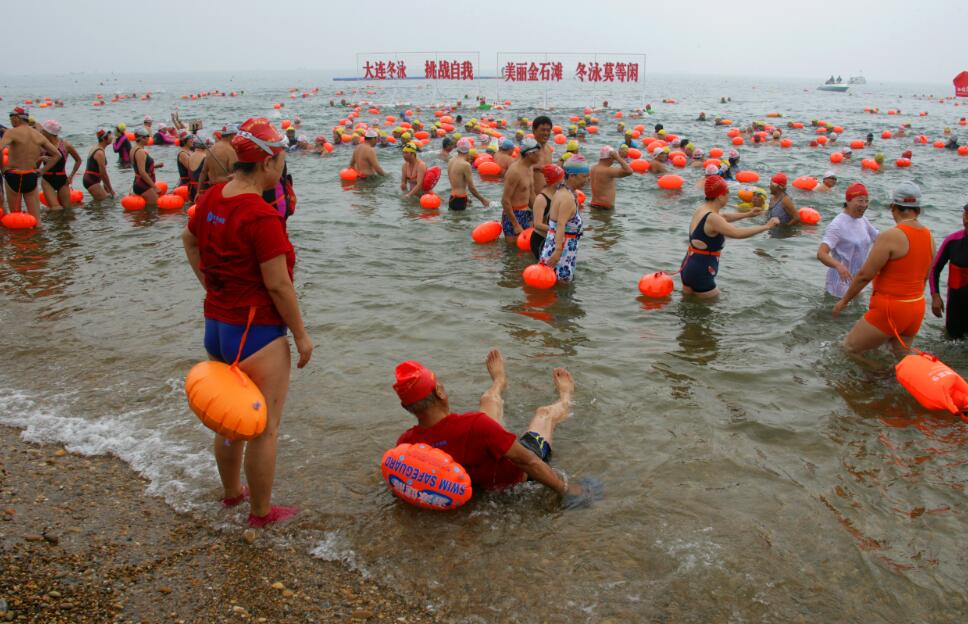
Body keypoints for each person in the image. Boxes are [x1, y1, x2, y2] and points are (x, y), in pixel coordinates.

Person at [181, 117, 313, 528]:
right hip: (256, 332)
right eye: (281, 161)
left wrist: (209, 283)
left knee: (229, 418)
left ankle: (231, 494)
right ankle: (261, 514)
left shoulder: (215, 196)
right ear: (268, 162)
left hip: (217, 326)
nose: (282, 169)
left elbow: (189, 239)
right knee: (264, 429)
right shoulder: (260, 216)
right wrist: (302, 335)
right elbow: (278, 285)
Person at [393, 350, 595, 506]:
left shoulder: (406, 443)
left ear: (405, 407)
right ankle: (566, 396)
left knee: (488, 400)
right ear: (440, 392)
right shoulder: (475, 425)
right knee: (544, 414)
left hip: (481, 472)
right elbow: (528, 462)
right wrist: (567, 490)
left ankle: (499, 381)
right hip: (516, 477)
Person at [833, 181, 935, 354]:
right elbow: (926, 275)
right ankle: (891, 379)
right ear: (918, 208)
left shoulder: (891, 235)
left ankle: (875, 375)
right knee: (898, 354)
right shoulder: (929, 236)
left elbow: (865, 275)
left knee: (848, 349)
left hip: (890, 310)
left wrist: (844, 301)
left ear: (893, 206)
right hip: (916, 308)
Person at [680, 176, 779, 298]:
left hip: (688, 265)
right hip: (701, 271)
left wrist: (748, 214)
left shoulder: (702, 210)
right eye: (727, 193)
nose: (728, 197)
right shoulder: (713, 218)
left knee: (688, 309)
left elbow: (724, 217)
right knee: (712, 311)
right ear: (720, 196)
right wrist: (767, 226)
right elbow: (736, 233)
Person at [817, 183, 878, 298]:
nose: (864, 205)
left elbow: (879, 239)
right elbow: (821, 254)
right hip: (839, 286)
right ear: (848, 201)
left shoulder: (863, 220)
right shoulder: (837, 225)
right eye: (860, 201)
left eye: (866, 201)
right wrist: (838, 266)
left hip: (858, 283)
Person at [0, 107, 60, 219]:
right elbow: (57, 155)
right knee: (36, 219)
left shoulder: (11, 132)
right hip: (31, 176)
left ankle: (21, 237)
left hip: (14, 175)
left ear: (17, 118)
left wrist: (3, 168)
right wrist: (42, 171)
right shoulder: (38, 135)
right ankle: (38, 235)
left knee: (15, 217)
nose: (10, 121)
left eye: (11, 118)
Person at [539, 155, 588, 282]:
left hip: (555, 244)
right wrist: (558, 252)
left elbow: (554, 222)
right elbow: (561, 225)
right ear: (572, 176)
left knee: (550, 283)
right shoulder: (567, 198)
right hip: (562, 250)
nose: (587, 180)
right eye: (584, 176)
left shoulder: (561, 191)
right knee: (561, 287)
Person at [929, 202, 968, 338]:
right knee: (950, 343)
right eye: (966, 215)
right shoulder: (952, 241)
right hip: (955, 308)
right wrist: (935, 296)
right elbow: (934, 269)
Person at [500, 137, 541, 236]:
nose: (540, 156)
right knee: (513, 250)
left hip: (527, 212)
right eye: (537, 153)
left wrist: (540, 213)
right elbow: (505, 200)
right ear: (529, 154)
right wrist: (515, 224)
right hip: (513, 215)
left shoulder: (530, 167)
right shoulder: (514, 171)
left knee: (528, 249)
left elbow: (531, 194)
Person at [38, 120, 81, 209]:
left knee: (67, 209)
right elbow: (36, 166)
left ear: (49, 133)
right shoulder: (42, 146)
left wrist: (71, 176)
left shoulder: (65, 145)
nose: (41, 132)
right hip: (47, 180)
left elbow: (78, 160)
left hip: (62, 180)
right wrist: (40, 159)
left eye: (43, 131)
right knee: (56, 208)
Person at [530, 164, 563, 261]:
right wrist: (559, 231)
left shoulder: (558, 194)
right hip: (541, 239)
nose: (563, 181)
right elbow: (537, 224)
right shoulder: (541, 199)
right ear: (554, 181)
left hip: (553, 237)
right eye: (561, 179)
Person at [445, 138, 488, 211]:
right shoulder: (465, 165)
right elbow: (471, 188)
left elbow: (453, 182)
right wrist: (483, 200)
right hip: (460, 199)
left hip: (452, 198)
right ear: (468, 150)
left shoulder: (450, 161)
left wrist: (467, 198)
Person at [198, 125, 239, 195]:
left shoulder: (210, 149)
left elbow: (203, 172)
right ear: (231, 136)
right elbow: (236, 174)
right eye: (236, 136)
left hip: (212, 189)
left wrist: (198, 191)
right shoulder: (230, 150)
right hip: (225, 189)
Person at [131, 127, 163, 203]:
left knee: (148, 210)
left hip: (138, 182)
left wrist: (155, 166)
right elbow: (142, 172)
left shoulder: (133, 149)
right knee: (156, 208)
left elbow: (139, 167)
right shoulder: (140, 152)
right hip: (143, 185)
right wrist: (155, 187)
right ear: (142, 138)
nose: (149, 138)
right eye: (147, 136)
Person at [82, 128, 116, 200]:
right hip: (91, 180)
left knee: (101, 204)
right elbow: (103, 173)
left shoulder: (98, 148)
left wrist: (105, 185)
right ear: (104, 139)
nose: (111, 136)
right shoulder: (99, 152)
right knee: (105, 202)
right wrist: (111, 189)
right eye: (109, 135)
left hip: (91, 179)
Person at [530, 116, 555, 198]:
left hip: (546, 198)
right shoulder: (528, 150)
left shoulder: (548, 149)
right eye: (543, 130)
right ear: (534, 130)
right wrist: (534, 167)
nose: (546, 133)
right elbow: (515, 169)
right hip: (531, 199)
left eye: (548, 130)